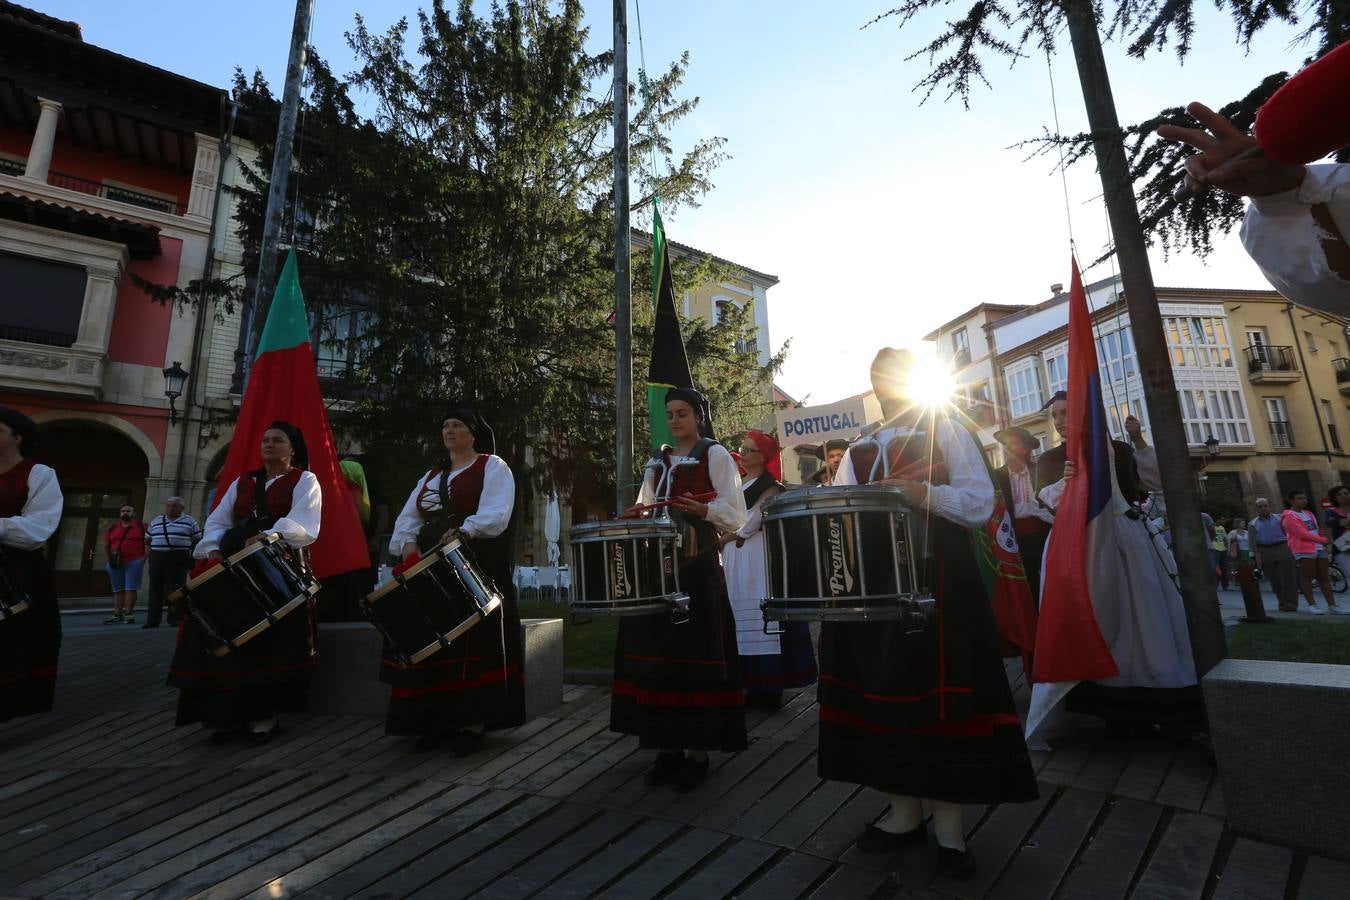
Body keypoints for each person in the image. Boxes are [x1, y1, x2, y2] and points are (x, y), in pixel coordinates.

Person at [826, 349, 1036, 875]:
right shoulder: (861, 446)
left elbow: (980, 501)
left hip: (942, 581)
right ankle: (903, 813)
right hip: (878, 590)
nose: (887, 385)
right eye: (879, 377)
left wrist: (924, 493)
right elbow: (840, 511)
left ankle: (948, 828)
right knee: (889, 695)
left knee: (946, 701)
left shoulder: (945, 426)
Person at [1036, 391, 1199, 732]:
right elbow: (1046, 503)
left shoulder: (1120, 449)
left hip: (1126, 539)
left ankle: (1153, 696)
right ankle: (1097, 699)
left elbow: (1151, 484)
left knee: (1140, 613)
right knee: (1091, 613)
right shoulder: (1051, 458)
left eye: (1066, 413)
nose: (1060, 421)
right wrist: (1066, 483)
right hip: (1078, 545)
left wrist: (1138, 438)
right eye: (1055, 416)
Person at [615, 387, 749, 792]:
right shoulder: (658, 460)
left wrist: (703, 510)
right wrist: (639, 512)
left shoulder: (715, 454)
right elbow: (648, 504)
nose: (674, 420)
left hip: (698, 568)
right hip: (660, 569)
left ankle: (698, 753)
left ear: (698, 417)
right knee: (662, 656)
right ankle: (666, 748)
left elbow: (737, 515)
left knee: (695, 653)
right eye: (670, 414)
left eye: (682, 413)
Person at [167, 421, 321, 744]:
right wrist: (212, 551)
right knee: (226, 637)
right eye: (265, 439)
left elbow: (304, 522)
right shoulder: (244, 482)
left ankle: (264, 717)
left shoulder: (305, 480)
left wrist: (269, 537)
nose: (269, 444)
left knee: (269, 642)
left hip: (277, 565)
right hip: (235, 564)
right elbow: (219, 520)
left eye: (278, 440)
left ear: (292, 448)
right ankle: (225, 717)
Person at [385, 408, 523, 754]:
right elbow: (409, 516)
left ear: (473, 434)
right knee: (432, 641)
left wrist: (465, 530)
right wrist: (409, 544)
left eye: (457, 425)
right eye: (445, 425)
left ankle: (471, 723)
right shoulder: (432, 475)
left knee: (472, 644)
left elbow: (496, 512)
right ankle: (433, 720)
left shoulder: (492, 466)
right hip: (432, 565)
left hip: (474, 562)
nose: (449, 430)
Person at [1156, 102, 1349, 314]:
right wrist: (1281, 196)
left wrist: (1283, 198)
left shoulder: (1335, 182)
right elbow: (1332, 291)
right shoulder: (1338, 182)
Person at [718, 429, 817, 710]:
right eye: (743, 447)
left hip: (757, 558)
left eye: (750, 449)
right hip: (735, 558)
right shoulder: (738, 484)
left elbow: (754, 520)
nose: (743, 452)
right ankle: (750, 684)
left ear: (763, 457)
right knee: (739, 616)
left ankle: (770, 687)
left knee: (761, 618)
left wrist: (727, 535)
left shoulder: (770, 486)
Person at [0, 408, 64, 724]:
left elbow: (38, 529)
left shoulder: (38, 474)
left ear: (17, 437)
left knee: (10, 647)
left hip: (16, 575)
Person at [993, 425, 1053, 598]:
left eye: (1013, 444)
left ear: (1026, 450)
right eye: (1005, 444)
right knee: (1025, 584)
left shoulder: (1039, 472)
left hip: (1042, 534)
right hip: (1013, 539)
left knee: (1046, 580)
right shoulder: (998, 477)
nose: (1007, 448)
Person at [1280, 490, 1345, 615]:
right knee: (1307, 577)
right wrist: (1323, 540)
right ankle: (1312, 605)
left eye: (1304, 498)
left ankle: (1332, 605)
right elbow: (1302, 534)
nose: (1304, 500)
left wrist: (1322, 537)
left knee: (1324, 577)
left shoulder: (1309, 513)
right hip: (1303, 549)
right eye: (1299, 498)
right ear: (1292, 500)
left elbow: (1317, 528)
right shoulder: (1288, 516)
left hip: (1319, 548)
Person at [143, 496, 201, 628]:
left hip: (178, 557)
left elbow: (197, 539)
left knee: (176, 589)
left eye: (174, 505)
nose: (170, 508)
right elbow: (147, 539)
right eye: (168, 505)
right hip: (157, 556)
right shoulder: (157, 520)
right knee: (155, 588)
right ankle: (152, 620)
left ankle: (175, 618)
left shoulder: (190, 521)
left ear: (182, 508)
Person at [1252, 498, 1300, 612]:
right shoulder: (1253, 523)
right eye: (1260, 506)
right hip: (1265, 550)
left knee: (1288, 577)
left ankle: (1291, 603)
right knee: (1274, 579)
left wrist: (1292, 549)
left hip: (1282, 547)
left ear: (1269, 506)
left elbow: (1289, 534)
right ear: (1256, 509)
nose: (1263, 508)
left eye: (1265, 505)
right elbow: (1253, 544)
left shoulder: (1279, 518)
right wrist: (1256, 559)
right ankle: (1282, 602)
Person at [102, 504, 146, 624]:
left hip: (134, 561)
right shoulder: (112, 528)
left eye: (128, 511)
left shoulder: (142, 527)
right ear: (120, 513)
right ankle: (117, 614)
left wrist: (143, 559)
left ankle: (129, 614)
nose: (125, 513)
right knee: (117, 589)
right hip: (115, 562)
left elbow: (149, 543)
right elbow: (106, 545)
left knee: (130, 588)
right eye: (123, 511)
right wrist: (108, 560)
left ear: (134, 513)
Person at [1227, 518, 1270, 623]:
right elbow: (1230, 543)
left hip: (1248, 551)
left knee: (1250, 568)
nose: (1244, 524)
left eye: (1244, 523)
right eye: (1242, 523)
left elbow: (1252, 541)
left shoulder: (1247, 533)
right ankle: (1240, 581)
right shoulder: (1233, 533)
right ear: (1237, 524)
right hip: (1239, 552)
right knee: (1241, 568)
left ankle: (1252, 580)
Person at [1324, 485, 1350, 563]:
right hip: (1343, 548)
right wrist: (1343, 522)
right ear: (1334, 498)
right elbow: (1330, 523)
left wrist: (1344, 522)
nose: (1343, 495)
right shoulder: (1330, 512)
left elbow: (1341, 522)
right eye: (1339, 494)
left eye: (1346, 493)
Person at [1210, 517, 1230, 590]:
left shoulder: (1222, 528)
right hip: (1215, 549)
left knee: (1224, 567)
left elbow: (1225, 538)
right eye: (1222, 519)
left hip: (1223, 549)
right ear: (1217, 519)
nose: (1224, 521)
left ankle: (1225, 585)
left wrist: (1227, 548)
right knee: (1215, 568)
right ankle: (1215, 585)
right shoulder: (1212, 527)